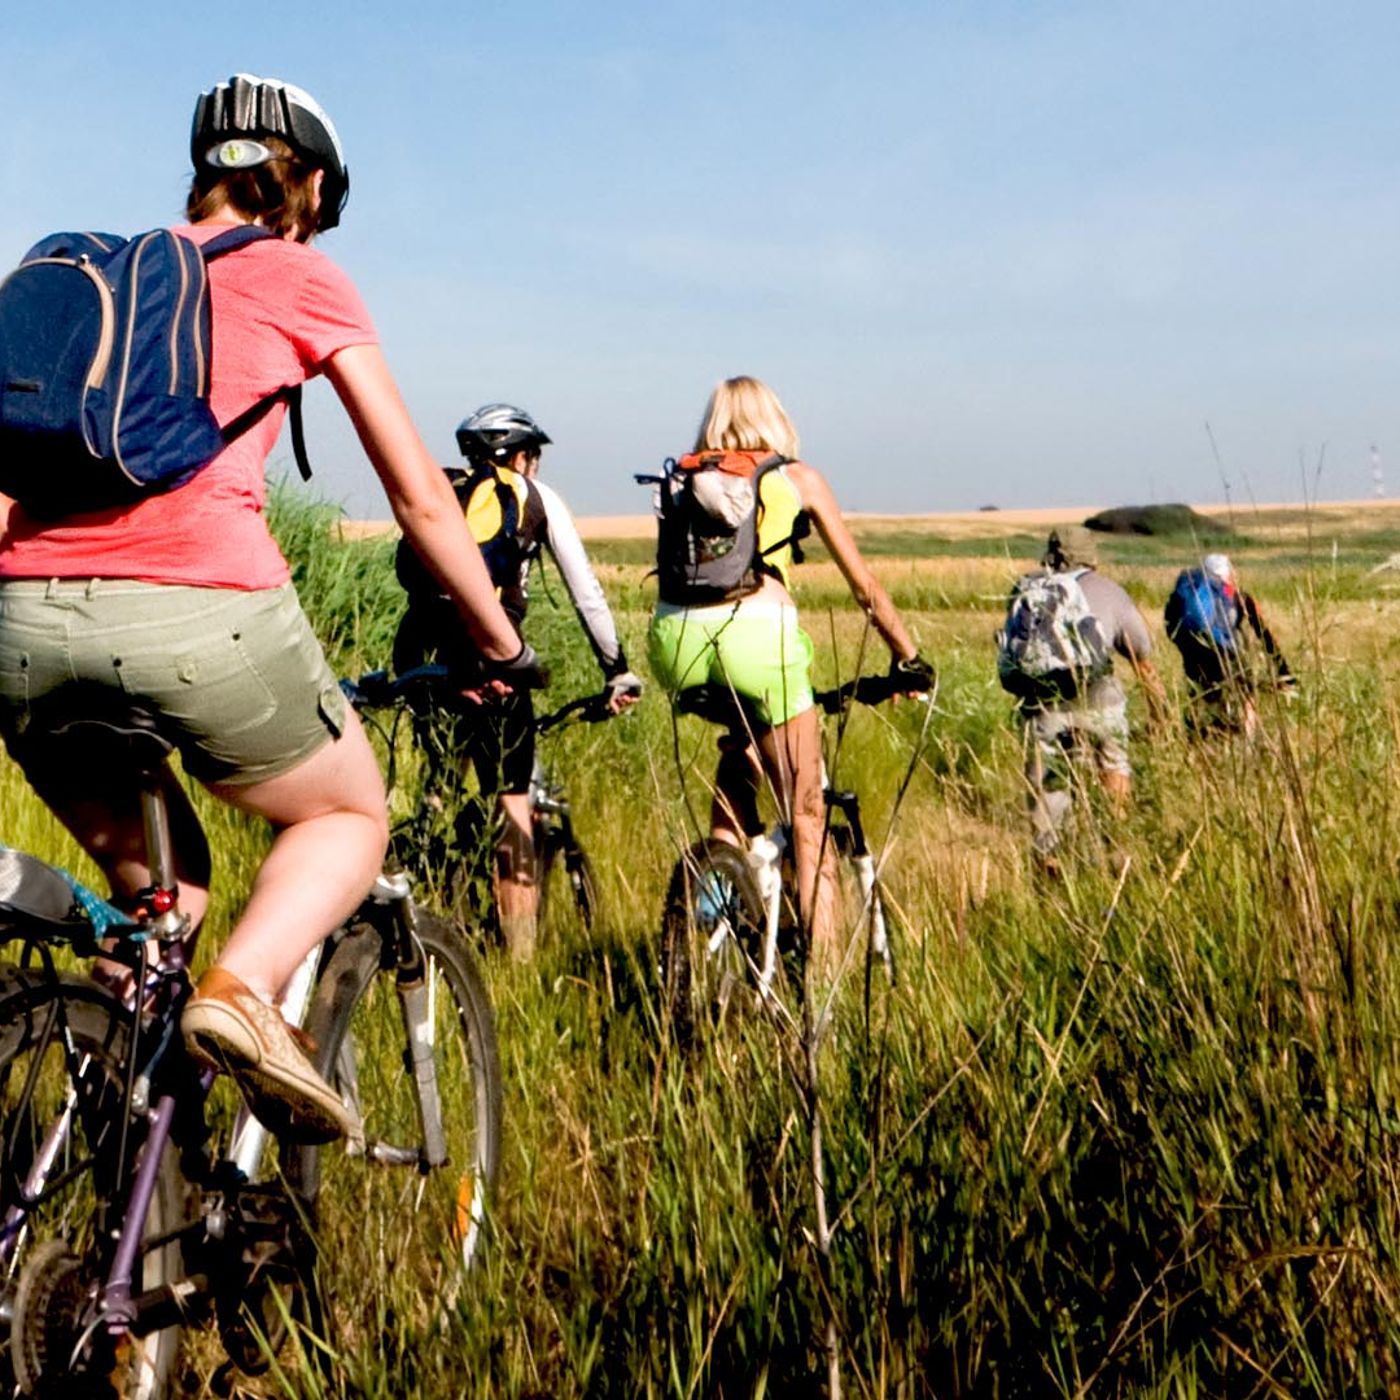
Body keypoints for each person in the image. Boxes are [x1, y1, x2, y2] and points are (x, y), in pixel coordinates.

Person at [0, 74, 534, 1143]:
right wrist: (500, 642)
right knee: (346, 813)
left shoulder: (94, 276)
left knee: (167, 893)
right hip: (198, 610)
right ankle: (242, 992)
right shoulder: (301, 276)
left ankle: (102, 1146)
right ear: (312, 187)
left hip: (21, 624)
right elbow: (421, 498)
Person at [646, 375, 932, 976]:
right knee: (807, 814)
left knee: (738, 758)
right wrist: (908, 657)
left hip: (674, 645)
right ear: (775, 420)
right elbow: (866, 589)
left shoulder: (685, 480)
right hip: (759, 641)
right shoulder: (794, 479)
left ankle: (712, 901)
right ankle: (820, 984)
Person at [393, 403, 642, 959]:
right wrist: (615, 669)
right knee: (511, 803)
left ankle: (410, 903)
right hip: (492, 668)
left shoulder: (442, 494)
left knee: (439, 786)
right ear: (520, 455)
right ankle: (519, 956)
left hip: (425, 663)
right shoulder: (536, 498)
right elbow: (586, 594)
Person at [1006, 526, 1167, 869]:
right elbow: (1142, 657)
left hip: (1043, 708)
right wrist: (1160, 715)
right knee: (1112, 764)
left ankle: (1048, 861)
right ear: (1091, 555)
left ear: (1051, 556)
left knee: (1047, 787)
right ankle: (1115, 844)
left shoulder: (1025, 589)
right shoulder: (1109, 591)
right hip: (1100, 702)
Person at [1165, 552, 1294, 738]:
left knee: (1202, 699)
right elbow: (1264, 634)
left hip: (1193, 655)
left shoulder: (1187, 594)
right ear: (1227, 574)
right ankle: (1246, 744)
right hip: (1225, 653)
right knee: (1247, 694)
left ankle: (1197, 740)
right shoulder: (1236, 596)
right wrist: (1284, 671)